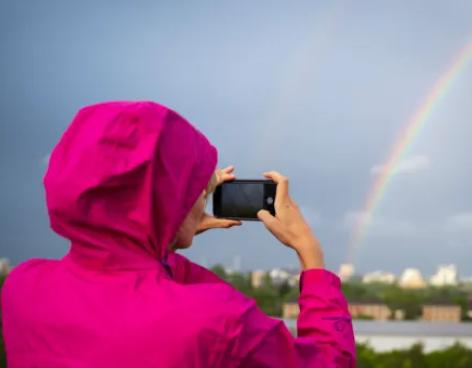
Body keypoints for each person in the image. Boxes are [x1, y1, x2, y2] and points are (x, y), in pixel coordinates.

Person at [1, 101, 356, 367]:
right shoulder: (216, 322)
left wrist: (163, 236)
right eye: (196, 192)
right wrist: (312, 258)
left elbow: (120, 290)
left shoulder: (22, 288)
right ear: (165, 201)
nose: (201, 203)